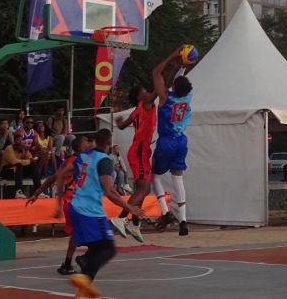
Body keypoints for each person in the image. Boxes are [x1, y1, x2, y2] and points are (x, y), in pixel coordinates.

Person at [34, 129, 143, 299]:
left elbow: (60, 175)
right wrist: (130, 208)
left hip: (75, 208)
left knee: (94, 251)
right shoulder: (104, 160)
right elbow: (110, 191)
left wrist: (56, 201)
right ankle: (82, 277)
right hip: (91, 212)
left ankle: (82, 293)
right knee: (108, 249)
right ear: (108, 142)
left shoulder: (83, 157)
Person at [28, 135, 93, 275]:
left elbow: (52, 178)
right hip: (74, 202)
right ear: (80, 147)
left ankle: (67, 264)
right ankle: (84, 258)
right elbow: (57, 180)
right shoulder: (76, 162)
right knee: (96, 233)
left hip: (72, 202)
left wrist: (36, 193)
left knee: (77, 235)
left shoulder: (71, 160)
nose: (89, 143)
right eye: (86, 140)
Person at [151, 47, 194, 236]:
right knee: (178, 179)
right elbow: (180, 82)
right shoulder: (188, 97)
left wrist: (172, 56)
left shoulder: (165, 99)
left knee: (155, 177)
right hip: (181, 142)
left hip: (166, 141)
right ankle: (183, 220)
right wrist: (182, 65)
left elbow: (156, 73)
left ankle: (165, 212)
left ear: (174, 88)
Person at [111, 84, 157, 243]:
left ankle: (135, 222)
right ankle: (121, 218)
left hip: (139, 150)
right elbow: (157, 89)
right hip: (139, 150)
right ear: (140, 97)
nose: (148, 93)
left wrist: (118, 121)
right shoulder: (146, 104)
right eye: (145, 91)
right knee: (144, 188)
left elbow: (122, 126)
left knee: (143, 188)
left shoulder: (137, 109)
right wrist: (171, 68)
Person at [1, 131, 43, 199]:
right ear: (14, 141)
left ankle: (38, 191)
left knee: (33, 165)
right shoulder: (9, 148)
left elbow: (31, 160)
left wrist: (27, 153)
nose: (20, 142)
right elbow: (14, 161)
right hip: (7, 171)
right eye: (18, 141)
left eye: (21, 140)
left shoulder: (24, 149)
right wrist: (29, 161)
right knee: (19, 165)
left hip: (19, 170)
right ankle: (18, 191)